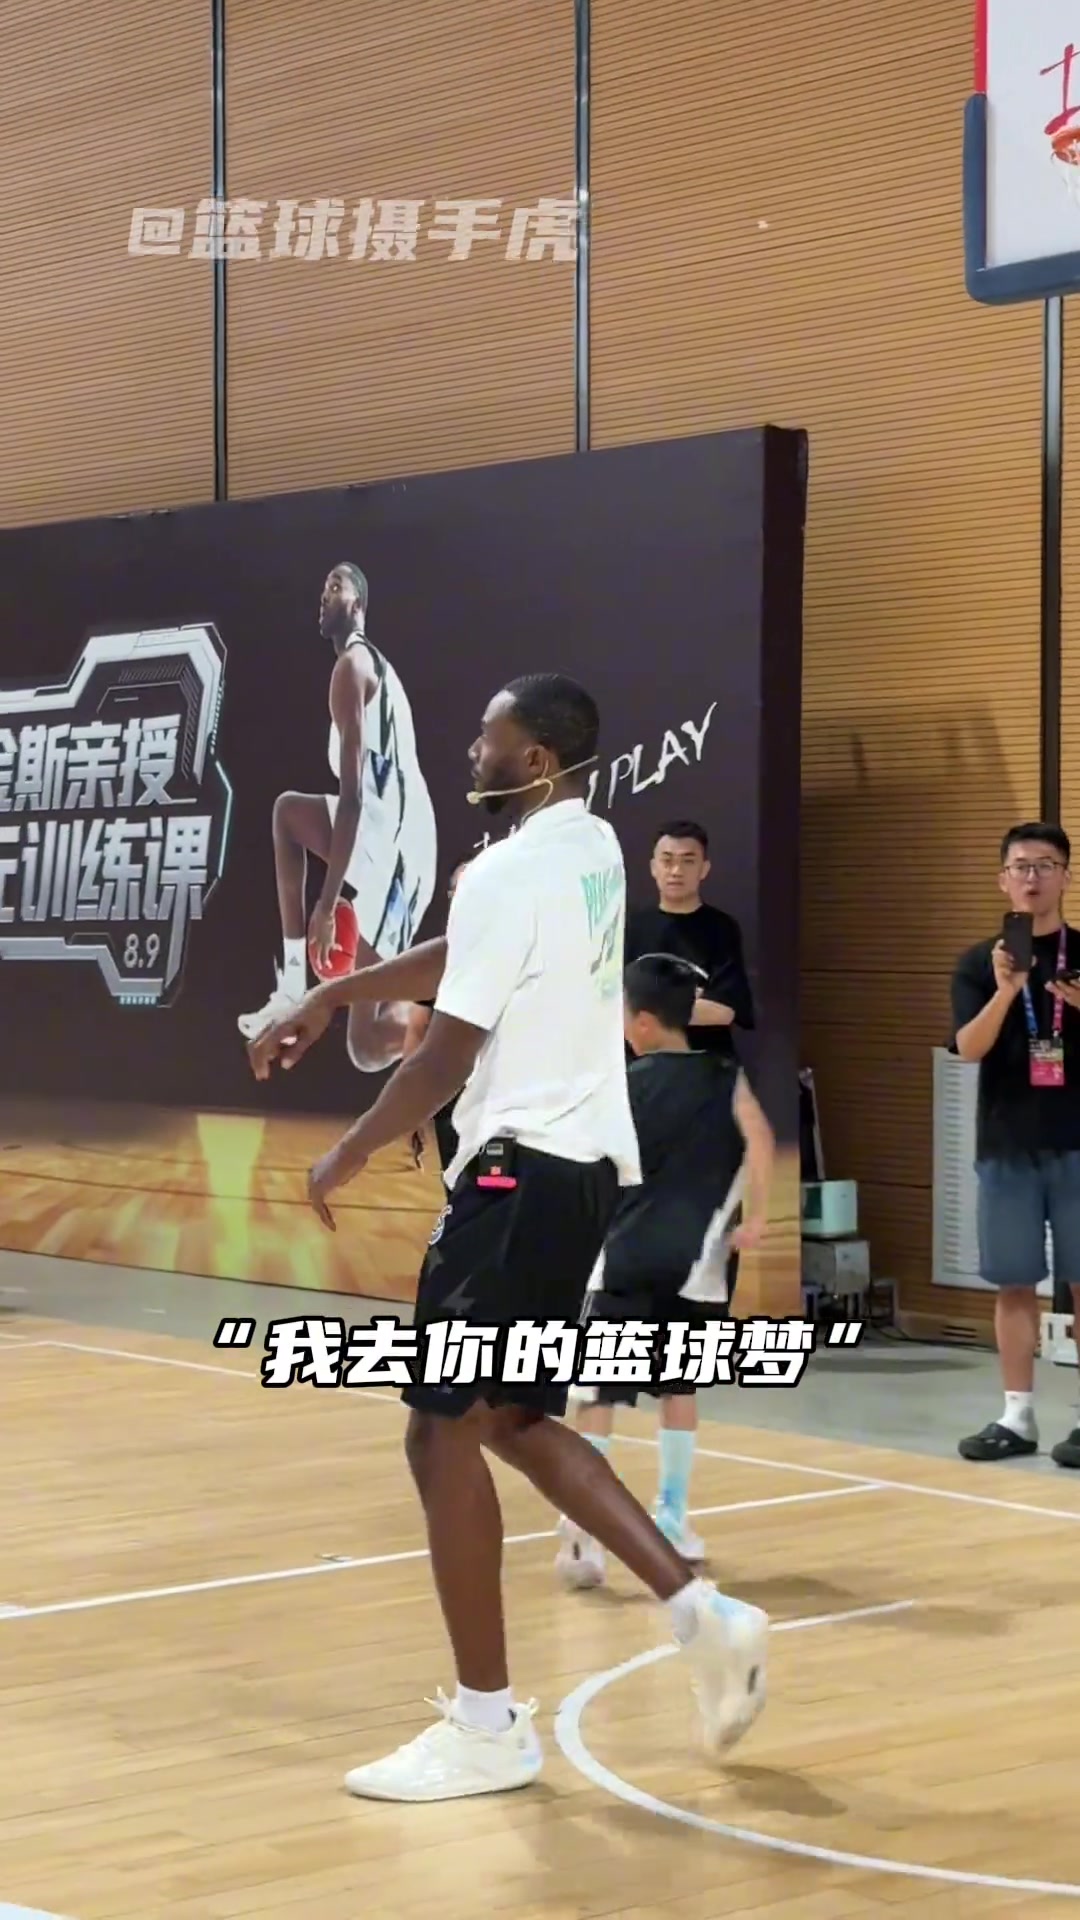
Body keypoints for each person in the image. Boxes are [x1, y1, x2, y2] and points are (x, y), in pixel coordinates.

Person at [248, 671, 769, 1802]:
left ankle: (487, 1725)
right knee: (512, 1419)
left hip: (513, 1170)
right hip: (579, 1175)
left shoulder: (508, 869)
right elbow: (464, 951)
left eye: (488, 737)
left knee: (440, 1433)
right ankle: (701, 1613)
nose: (470, 751)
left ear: (533, 758)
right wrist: (332, 995)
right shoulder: (590, 849)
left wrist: (347, 1150)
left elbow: (446, 1050)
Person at [555, 953, 775, 1590]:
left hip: (622, 1260)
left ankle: (585, 1530)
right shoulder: (727, 1076)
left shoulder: (618, 1084)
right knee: (679, 1390)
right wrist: (757, 1216)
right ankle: (673, 1517)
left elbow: (586, 1165)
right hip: (697, 1266)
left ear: (644, 1022)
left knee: (597, 1396)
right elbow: (760, 1140)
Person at [238, 562, 438, 1072]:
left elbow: (350, 800)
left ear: (359, 605)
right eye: (323, 587)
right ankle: (290, 987)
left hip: (401, 850)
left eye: (337, 586)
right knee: (287, 813)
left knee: (366, 1045)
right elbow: (357, 802)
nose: (325, 594)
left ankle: (469, 1024)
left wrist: (327, 906)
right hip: (378, 831)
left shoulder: (353, 666)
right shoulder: (357, 668)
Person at [952, 822, 1080, 1469]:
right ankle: (1017, 1416)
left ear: (1066, 877)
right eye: (1021, 866)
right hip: (1006, 1144)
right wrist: (1006, 991)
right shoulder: (980, 962)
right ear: (1002, 879)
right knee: (1013, 1281)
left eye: (1046, 865)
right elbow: (968, 1049)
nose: (1033, 877)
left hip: (1078, 1143)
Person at [624, 819, 755, 1066]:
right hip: (640, 1072)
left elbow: (723, 1011)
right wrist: (688, 1002)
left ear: (704, 869)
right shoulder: (630, 927)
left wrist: (648, 1004)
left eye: (688, 861)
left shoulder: (721, 928)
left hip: (707, 1069)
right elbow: (616, 1008)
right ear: (653, 867)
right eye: (667, 860)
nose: (676, 871)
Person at [403, 858, 471, 1173]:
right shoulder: (440, 959)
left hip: (506, 1104)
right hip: (453, 1100)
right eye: (460, 890)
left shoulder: (519, 950)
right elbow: (417, 1029)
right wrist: (412, 1105)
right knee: (457, 1188)